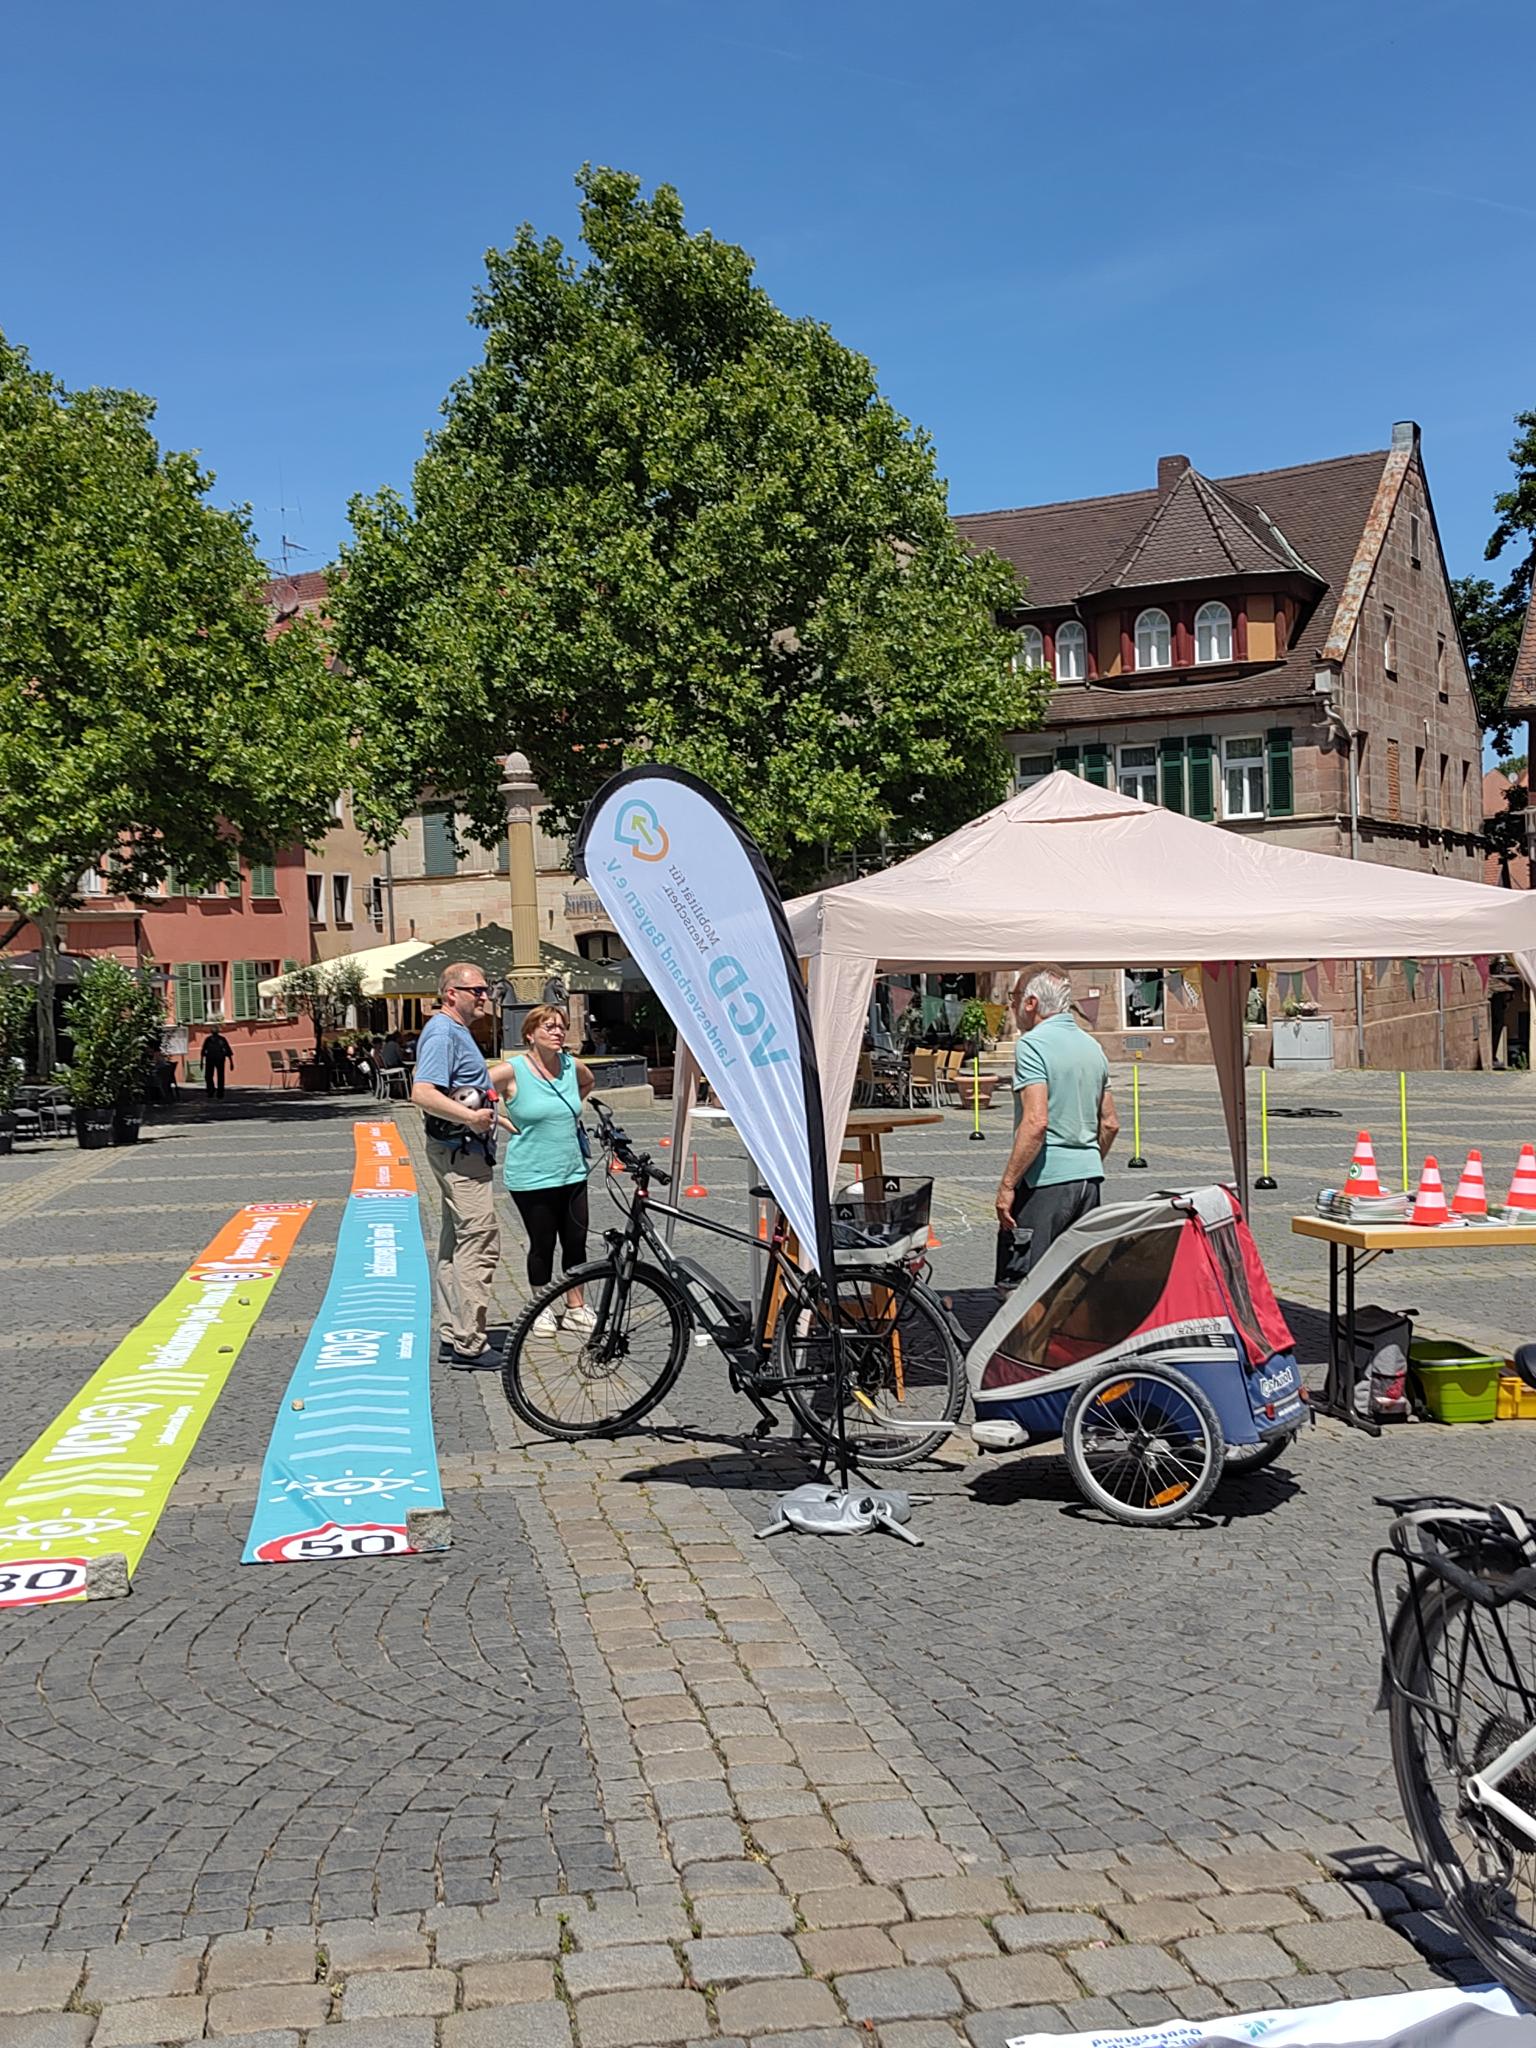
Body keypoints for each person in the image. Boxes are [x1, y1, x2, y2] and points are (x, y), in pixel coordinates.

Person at [411, 964, 513, 1369]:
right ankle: (471, 1343)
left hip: (460, 1149)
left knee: (455, 1241)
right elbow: (422, 1092)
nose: (485, 996)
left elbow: (465, 1085)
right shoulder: (443, 1032)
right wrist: (472, 1118)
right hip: (460, 1152)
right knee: (480, 1240)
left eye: (486, 989)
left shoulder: (455, 1031)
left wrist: (494, 1113)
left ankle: (453, 1333)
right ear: (451, 994)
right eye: (477, 990)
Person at [994, 964, 1118, 1283]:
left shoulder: (1032, 1045)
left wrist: (1007, 1185)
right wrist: (1087, 1159)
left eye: (1014, 997)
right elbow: (1110, 1123)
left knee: (1026, 1284)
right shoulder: (1092, 1046)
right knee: (1074, 1283)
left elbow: (1036, 1122)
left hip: (1044, 1181)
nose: (1011, 1005)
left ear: (1031, 1002)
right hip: (1088, 1180)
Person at [498, 1005, 595, 1336]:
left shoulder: (570, 1065)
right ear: (530, 1034)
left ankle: (576, 1307)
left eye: (561, 1027)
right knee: (543, 1243)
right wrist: (499, 1119)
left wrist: (567, 1109)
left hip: (572, 1170)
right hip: (532, 1175)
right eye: (549, 1027)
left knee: (576, 1241)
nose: (557, 1032)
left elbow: (588, 1082)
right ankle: (540, 1308)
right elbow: (471, 1092)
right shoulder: (512, 1070)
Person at [202, 1027, 233, 1099]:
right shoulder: (208, 1040)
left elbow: (228, 1050)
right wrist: (201, 1061)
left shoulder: (221, 1039)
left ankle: (219, 1092)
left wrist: (231, 1062)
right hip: (211, 1059)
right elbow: (203, 1051)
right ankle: (211, 1090)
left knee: (219, 1076)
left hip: (219, 1059)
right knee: (209, 1076)